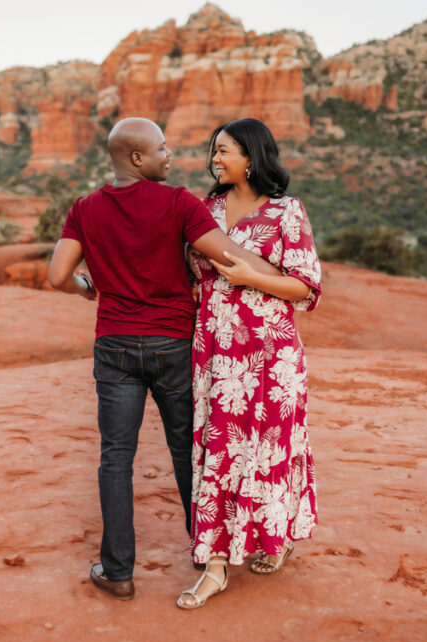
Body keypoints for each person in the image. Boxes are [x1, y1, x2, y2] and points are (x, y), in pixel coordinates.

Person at [48, 118, 282, 601]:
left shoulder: (85, 208)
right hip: (173, 344)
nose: (170, 153)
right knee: (185, 450)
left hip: (114, 345)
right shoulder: (179, 202)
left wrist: (86, 286)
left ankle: (118, 572)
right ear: (138, 158)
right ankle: (204, 552)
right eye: (161, 147)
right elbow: (229, 255)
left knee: (116, 457)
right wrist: (282, 275)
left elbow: (56, 275)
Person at [177, 118, 322, 610]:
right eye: (213, 152)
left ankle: (272, 537)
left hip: (269, 355)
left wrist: (249, 277)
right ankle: (215, 567)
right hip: (215, 353)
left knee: (269, 449)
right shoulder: (204, 210)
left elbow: (305, 287)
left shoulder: (286, 212)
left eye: (224, 151)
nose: (214, 160)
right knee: (217, 450)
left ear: (252, 155)